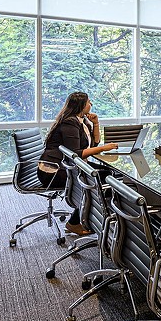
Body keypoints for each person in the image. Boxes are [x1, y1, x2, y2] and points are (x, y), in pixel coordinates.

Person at [38, 92, 118, 236]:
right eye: (88, 102)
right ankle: (75, 222)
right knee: (99, 181)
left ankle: (93, 217)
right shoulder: (69, 122)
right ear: (80, 105)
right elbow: (76, 153)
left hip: (67, 166)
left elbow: (93, 143)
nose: (91, 104)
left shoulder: (82, 121)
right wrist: (103, 149)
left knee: (109, 174)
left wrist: (96, 123)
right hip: (53, 171)